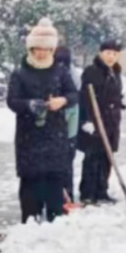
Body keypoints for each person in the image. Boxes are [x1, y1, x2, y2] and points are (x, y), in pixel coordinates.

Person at [7, 18, 78, 223]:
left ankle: (55, 221)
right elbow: (12, 101)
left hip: (55, 134)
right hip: (29, 136)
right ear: (31, 48)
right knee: (31, 181)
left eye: (47, 50)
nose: (42, 53)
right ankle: (30, 222)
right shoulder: (20, 74)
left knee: (55, 180)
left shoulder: (60, 71)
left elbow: (74, 94)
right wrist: (29, 105)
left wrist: (62, 100)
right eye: (38, 49)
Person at [78, 39, 124, 204]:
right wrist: (86, 120)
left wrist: (121, 103)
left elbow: (115, 96)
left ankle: (101, 191)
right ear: (101, 53)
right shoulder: (92, 71)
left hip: (111, 123)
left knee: (106, 157)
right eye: (108, 53)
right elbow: (84, 97)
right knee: (92, 158)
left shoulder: (116, 72)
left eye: (114, 54)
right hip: (95, 122)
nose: (111, 57)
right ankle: (88, 193)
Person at [54, 46, 81, 202]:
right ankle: (58, 197)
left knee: (66, 160)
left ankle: (67, 195)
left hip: (69, 118)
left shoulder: (73, 75)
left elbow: (75, 98)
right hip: (54, 122)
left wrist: (71, 138)